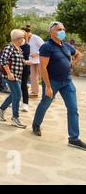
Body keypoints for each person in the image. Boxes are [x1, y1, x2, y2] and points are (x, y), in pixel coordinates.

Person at [32, 22, 85, 150]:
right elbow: (42, 67)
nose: (63, 31)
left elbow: (79, 54)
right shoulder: (46, 47)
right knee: (45, 104)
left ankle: (74, 138)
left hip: (67, 81)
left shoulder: (66, 46)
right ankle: (36, 125)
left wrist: (72, 63)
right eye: (59, 29)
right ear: (51, 32)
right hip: (52, 82)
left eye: (63, 29)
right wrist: (48, 86)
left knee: (73, 109)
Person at [0, 30, 31, 128]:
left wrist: (27, 62)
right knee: (18, 95)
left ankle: (1, 109)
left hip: (17, 76)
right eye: (22, 38)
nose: (23, 40)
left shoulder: (19, 49)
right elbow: (3, 60)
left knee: (13, 95)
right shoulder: (9, 47)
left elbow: (19, 60)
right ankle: (15, 118)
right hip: (11, 76)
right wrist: (9, 73)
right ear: (17, 38)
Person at [26, 25, 44, 98]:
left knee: (43, 76)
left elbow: (44, 47)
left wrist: (37, 53)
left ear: (29, 32)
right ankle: (34, 92)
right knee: (33, 76)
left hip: (39, 59)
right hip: (32, 60)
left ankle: (49, 91)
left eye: (25, 33)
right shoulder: (27, 39)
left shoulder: (36, 38)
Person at [20, 27, 32, 112]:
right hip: (15, 68)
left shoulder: (26, 46)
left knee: (23, 85)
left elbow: (26, 55)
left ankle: (25, 104)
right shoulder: (13, 45)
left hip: (25, 68)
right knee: (14, 86)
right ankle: (13, 101)